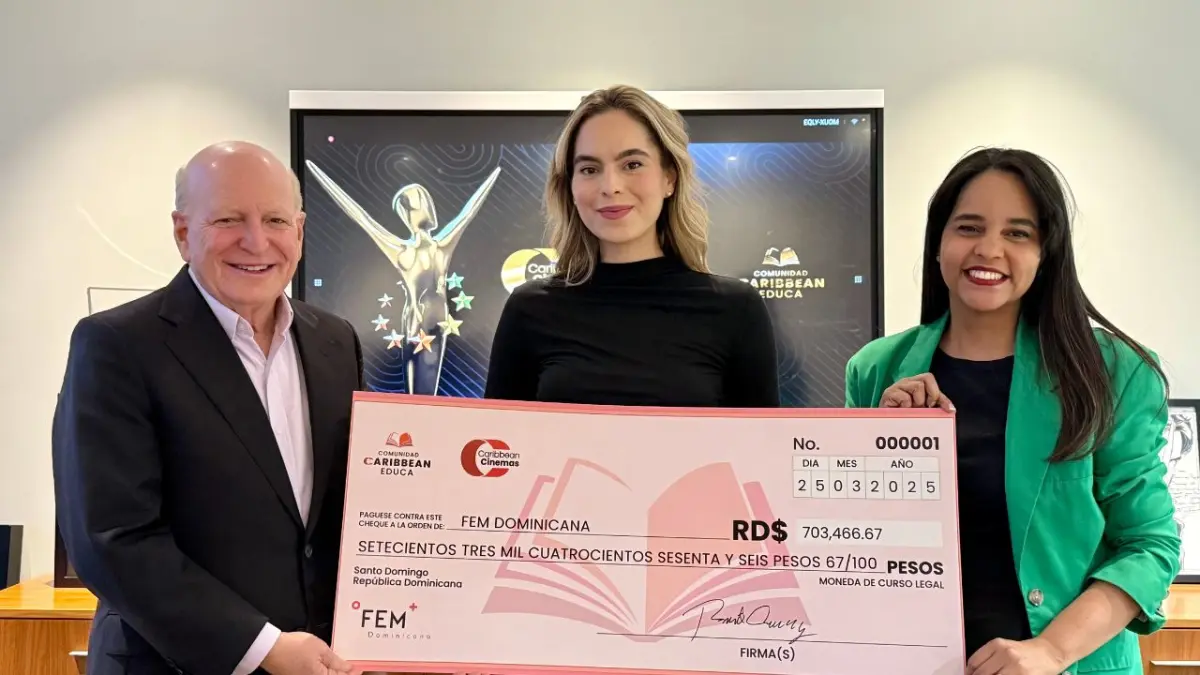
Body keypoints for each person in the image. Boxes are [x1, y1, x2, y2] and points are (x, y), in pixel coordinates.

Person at [844, 147, 1180, 675]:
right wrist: (878, 453)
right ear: (938, 242)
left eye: (1018, 233)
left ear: (1046, 252)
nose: (989, 249)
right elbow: (849, 543)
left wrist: (1052, 649)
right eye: (969, 227)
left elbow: (1149, 545)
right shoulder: (876, 369)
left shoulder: (1114, 372)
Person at [52, 141, 364, 675]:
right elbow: (111, 539)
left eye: (275, 220)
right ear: (182, 233)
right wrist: (264, 648)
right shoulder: (116, 345)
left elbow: (350, 509)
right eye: (228, 219)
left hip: (320, 661)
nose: (256, 241)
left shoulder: (335, 342)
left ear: (299, 231)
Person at [484, 85, 779, 407]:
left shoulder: (736, 310)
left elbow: (760, 439)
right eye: (589, 169)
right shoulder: (529, 309)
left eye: (632, 164)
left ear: (669, 178)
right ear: (570, 187)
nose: (610, 186)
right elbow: (498, 436)